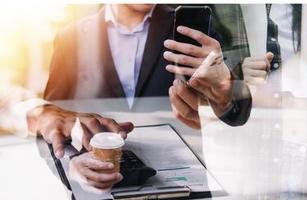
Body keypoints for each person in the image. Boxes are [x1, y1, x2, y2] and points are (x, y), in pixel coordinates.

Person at [25, 4, 264, 192]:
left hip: (182, 184)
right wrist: (70, 168)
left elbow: (235, 111)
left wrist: (224, 89)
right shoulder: (70, 38)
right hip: (100, 185)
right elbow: (53, 124)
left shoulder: (191, 30)